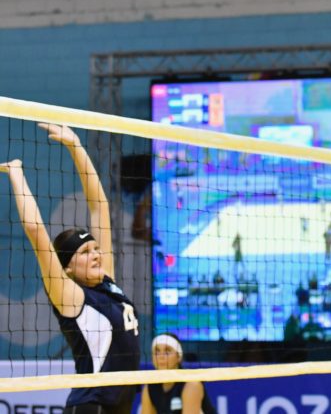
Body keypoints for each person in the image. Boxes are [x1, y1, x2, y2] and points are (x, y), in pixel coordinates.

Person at [0, 124, 140, 414]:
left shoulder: (108, 283)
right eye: (85, 252)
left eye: (95, 249)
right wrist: (16, 174)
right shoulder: (70, 297)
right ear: (67, 269)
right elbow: (36, 231)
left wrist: (76, 145)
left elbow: (99, 206)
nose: (96, 254)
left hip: (121, 405)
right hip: (92, 407)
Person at [141, 333, 216, 414]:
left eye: (167, 351)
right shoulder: (149, 388)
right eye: (157, 351)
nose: (161, 356)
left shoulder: (191, 384)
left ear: (178, 357)